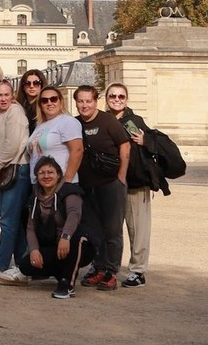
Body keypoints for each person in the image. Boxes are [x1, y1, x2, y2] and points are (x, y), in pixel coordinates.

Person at [73, 84, 130, 291]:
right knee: (94, 230)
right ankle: (98, 267)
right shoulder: (75, 123)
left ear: (96, 102)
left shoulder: (108, 121)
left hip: (110, 184)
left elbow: (125, 146)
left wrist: (121, 176)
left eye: (88, 101)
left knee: (113, 230)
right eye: (80, 101)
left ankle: (111, 272)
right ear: (76, 102)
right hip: (89, 186)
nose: (85, 105)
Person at [105, 83, 162, 288]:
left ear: (126, 99)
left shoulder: (133, 121)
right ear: (107, 98)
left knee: (137, 229)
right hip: (109, 183)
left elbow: (151, 146)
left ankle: (137, 271)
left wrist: (146, 141)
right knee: (110, 229)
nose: (117, 99)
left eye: (121, 96)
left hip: (135, 183)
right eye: (113, 96)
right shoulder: (104, 120)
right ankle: (107, 267)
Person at [23, 156, 99, 300]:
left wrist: (65, 237)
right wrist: (34, 250)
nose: (46, 176)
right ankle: (62, 273)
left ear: (58, 175)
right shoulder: (35, 197)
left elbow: (73, 215)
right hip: (55, 245)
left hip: (78, 244)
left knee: (78, 238)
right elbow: (30, 228)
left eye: (50, 172)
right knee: (25, 266)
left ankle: (67, 284)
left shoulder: (69, 192)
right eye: (41, 173)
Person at [0, 78, 33, 284]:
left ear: (12, 95)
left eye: (6, 94)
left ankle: (0, 263)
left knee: (8, 221)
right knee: (12, 220)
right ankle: (23, 265)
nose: (3, 98)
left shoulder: (15, 112)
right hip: (3, 169)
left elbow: (12, 144)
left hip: (16, 168)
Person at [25, 87, 84, 183]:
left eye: (53, 99)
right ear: (40, 105)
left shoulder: (67, 121)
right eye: (44, 100)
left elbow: (77, 150)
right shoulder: (39, 126)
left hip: (60, 182)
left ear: (60, 102)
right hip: (40, 183)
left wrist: (67, 180)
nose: (49, 103)